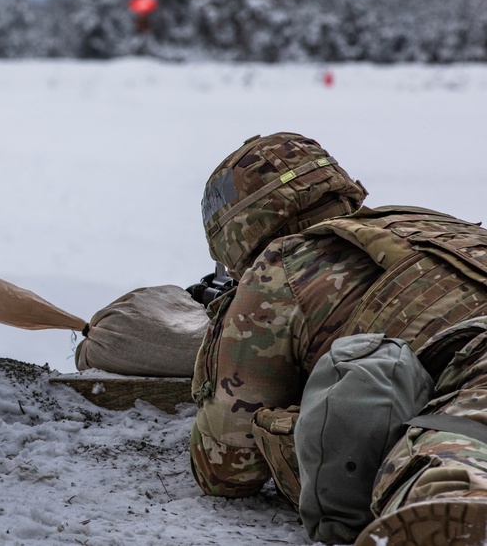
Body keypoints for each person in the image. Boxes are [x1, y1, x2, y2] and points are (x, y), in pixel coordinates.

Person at [188, 132, 487, 545]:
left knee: (447, 464)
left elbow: (224, 468)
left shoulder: (280, 269)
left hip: (475, 367)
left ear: (237, 237)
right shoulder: (427, 221)